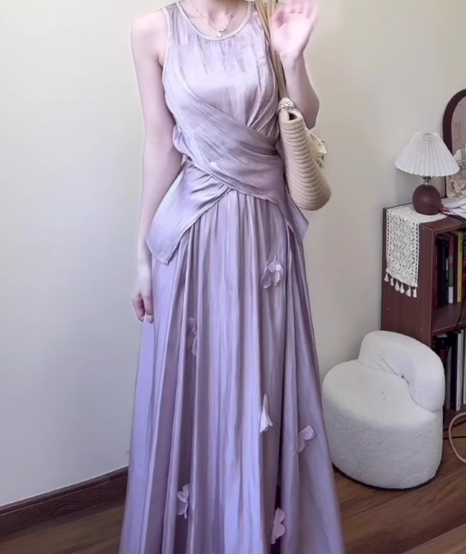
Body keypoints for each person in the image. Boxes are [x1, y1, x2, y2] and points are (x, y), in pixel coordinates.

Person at [120, 0, 345, 552]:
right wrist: (142, 257)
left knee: (258, 390)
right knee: (199, 394)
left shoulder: (269, 19)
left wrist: (293, 59)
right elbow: (159, 144)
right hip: (192, 240)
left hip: (265, 240)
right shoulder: (152, 31)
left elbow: (307, 115)